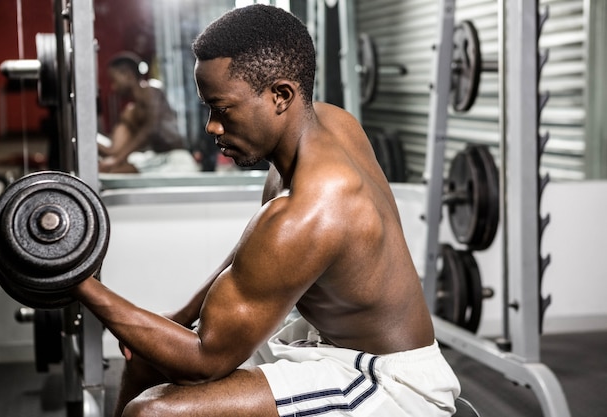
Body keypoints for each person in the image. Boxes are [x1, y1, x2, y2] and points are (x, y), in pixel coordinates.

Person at [73, 5, 460, 416]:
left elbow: (205, 360)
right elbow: (256, 254)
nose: (212, 128)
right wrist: (181, 316)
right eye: (208, 109)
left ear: (280, 96)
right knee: (148, 357)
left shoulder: (315, 209)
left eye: (223, 109)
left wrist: (80, 284)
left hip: (388, 381)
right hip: (326, 343)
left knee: (152, 412)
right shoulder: (325, 122)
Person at [98, 52, 199, 173]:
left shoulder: (151, 89)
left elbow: (151, 128)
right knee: (113, 171)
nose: (114, 87)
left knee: (117, 169)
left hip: (175, 158)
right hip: (156, 157)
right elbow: (117, 148)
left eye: (114, 81)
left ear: (129, 75)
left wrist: (118, 159)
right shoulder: (133, 111)